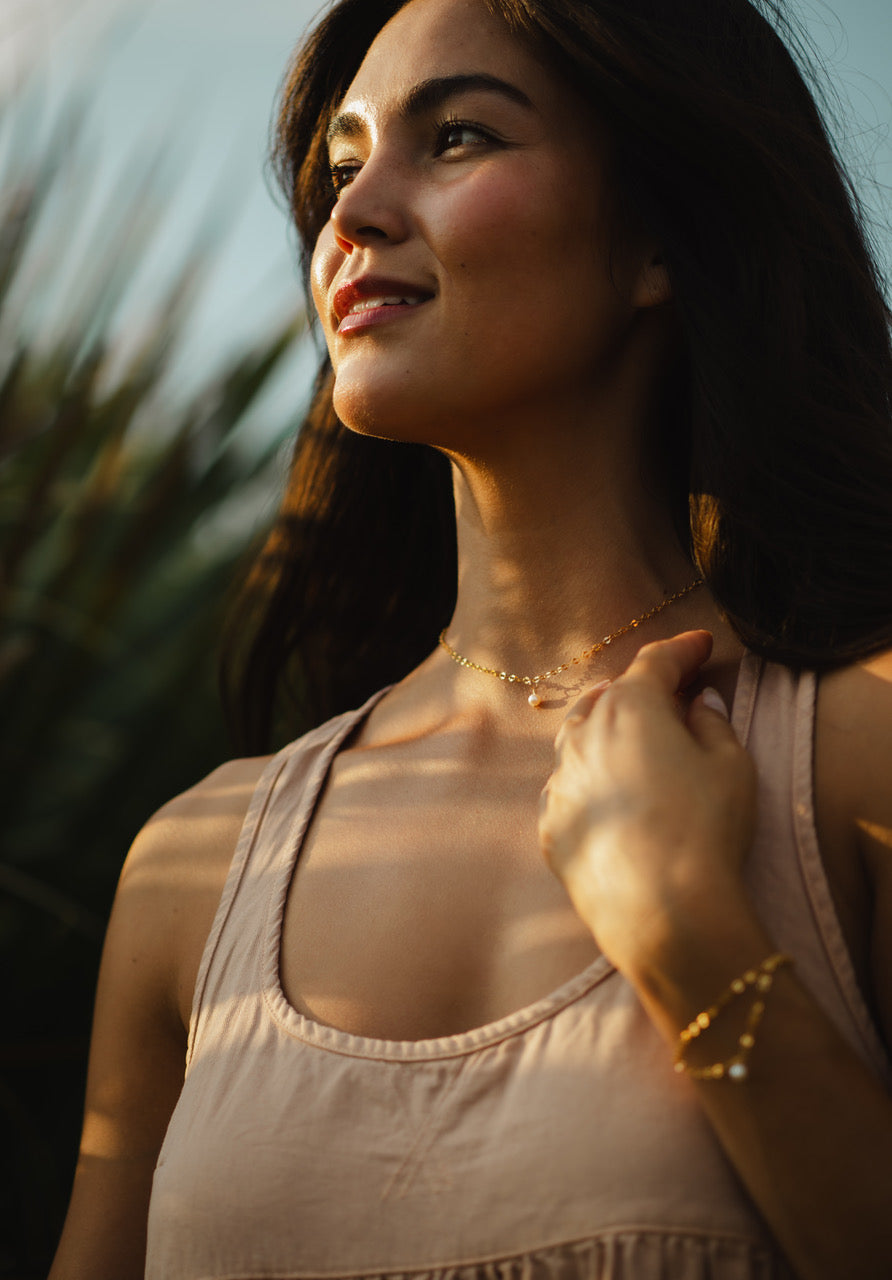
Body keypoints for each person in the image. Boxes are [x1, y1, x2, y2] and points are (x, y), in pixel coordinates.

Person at [50, 0, 892, 1276]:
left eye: (454, 138)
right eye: (342, 164)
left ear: (661, 238)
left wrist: (686, 935)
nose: (355, 212)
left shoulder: (856, 758)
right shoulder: (192, 867)